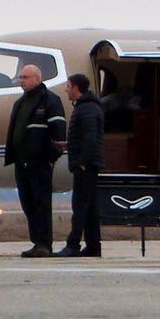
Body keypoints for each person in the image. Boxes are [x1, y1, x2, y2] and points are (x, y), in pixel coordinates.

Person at [4, 63, 65, 257]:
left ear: (37, 79)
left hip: (40, 163)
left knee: (41, 203)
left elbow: (59, 134)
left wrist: (50, 159)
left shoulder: (50, 100)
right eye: (20, 77)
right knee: (27, 203)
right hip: (22, 163)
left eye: (25, 77)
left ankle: (44, 244)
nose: (21, 80)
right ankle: (36, 241)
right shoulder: (20, 102)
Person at [57, 73, 105, 257]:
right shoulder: (86, 107)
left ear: (76, 87)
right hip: (88, 162)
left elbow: (91, 139)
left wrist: (82, 162)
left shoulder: (87, 109)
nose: (66, 89)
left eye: (68, 86)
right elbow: (87, 137)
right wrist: (70, 145)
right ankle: (93, 246)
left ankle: (73, 244)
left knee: (80, 205)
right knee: (90, 207)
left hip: (86, 165)